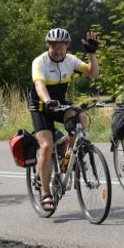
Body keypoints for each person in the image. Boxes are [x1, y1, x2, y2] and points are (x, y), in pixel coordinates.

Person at [28, 28, 99, 211]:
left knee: (81, 117)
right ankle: (45, 192)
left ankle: (70, 156)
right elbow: (39, 85)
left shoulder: (70, 60)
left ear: (67, 46)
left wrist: (91, 55)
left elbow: (93, 74)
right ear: (48, 46)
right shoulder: (40, 62)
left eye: (62, 47)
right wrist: (47, 101)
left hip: (60, 104)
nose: (58, 50)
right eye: (54, 47)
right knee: (46, 145)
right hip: (42, 107)